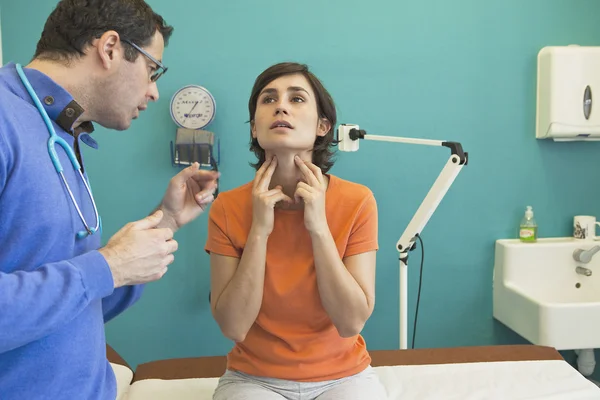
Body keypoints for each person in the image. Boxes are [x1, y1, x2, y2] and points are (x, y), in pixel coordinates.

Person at [0, 1, 218, 399]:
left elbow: (77, 306)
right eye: (153, 70)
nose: (154, 92)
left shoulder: (62, 133)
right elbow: (95, 275)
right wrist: (110, 264)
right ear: (111, 48)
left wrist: (165, 220)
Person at [206, 62, 387, 399]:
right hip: (253, 379)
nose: (281, 106)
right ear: (254, 129)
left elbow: (351, 323)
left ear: (323, 126)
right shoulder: (227, 208)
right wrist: (260, 229)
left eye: (297, 99)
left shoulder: (358, 201)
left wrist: (318, 226)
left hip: (344, 378)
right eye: (268, 99)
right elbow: (233, 326)